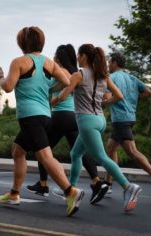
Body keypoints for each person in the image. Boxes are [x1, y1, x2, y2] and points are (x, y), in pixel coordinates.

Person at [0, 26, 84, 216]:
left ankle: (71, 192)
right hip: (45, 115)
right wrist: (48, 86)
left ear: (22, 42)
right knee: (18, 151)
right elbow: (67, 81)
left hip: (30, 117)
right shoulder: (49, 63)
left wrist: (0, 77)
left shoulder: (19, 62)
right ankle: (15, 193)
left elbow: (8, 87)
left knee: (44, 156)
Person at [51, 44, 142, 212]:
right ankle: (69, 188)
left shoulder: (79, 75)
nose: (77, 58)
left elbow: (64, 95)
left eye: (79, 55)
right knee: (76, 153)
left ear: (85, 56)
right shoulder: (103, 75)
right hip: (100, 120)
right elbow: (119, 96)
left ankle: (129, 187)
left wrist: (50, 102)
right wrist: (104, 102)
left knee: (101, 157)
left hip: (86, 121)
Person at [26, 44, 108, 204]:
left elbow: (45, 87)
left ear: (59, 58)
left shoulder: (60, 72)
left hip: (60, 116)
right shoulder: (77, 73)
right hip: (75, 118)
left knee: (43, 149)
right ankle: (96, 181)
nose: (54, 58)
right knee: (80, 152)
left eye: (56, 56)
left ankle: (43, 185)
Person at [104, 52, 151, 197]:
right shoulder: (131, 78)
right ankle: (108, 183)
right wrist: (133, 98)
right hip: (129, 117)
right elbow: (148, 91)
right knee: (110, 149)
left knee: (132, 151)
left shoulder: (111, 78)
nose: (108, 65)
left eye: (109, 62)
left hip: (120, 119)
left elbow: (108, 97)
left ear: (114, 63)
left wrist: (104, 102)